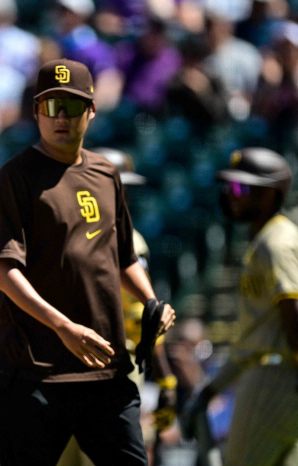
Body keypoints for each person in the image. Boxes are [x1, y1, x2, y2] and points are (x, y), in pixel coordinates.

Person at [0, 58, 175, 465]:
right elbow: (3, 270)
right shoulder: (15, 176)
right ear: (36, 111)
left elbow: (124, 256)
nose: (62, 118)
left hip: (103, 370)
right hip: (32, 370)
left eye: (72, 107)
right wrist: (64, 327)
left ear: (91, 110)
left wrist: (149, 300)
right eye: (51, 107)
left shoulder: (107, 174)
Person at [183, 148, 298, 466]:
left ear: (268, 195)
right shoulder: (268, 239)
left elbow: (294, 310)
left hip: (274, 378)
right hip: (273, 373)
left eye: (240, 188)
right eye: (229, 187)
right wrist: (211, 389)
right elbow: (253, 339)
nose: (231, 195)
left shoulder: (276, 242)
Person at [96, 147, 177, 433]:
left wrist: (166, 378)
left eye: (122, 189)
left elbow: (143, 315)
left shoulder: (129, 241)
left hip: (117, 365)